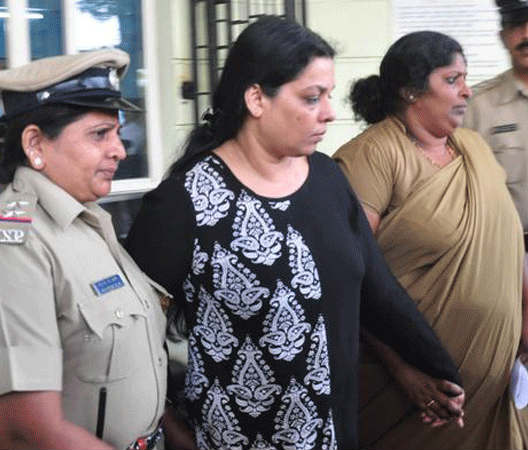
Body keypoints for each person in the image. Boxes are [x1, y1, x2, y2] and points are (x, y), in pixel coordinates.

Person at [125, 16, 465, 450]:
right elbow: (131, 340)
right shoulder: (185, 202)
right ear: (256, 99)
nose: (329, 112)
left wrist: (436, 368)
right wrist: (175, 435)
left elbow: (378, 292)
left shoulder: (326, 178)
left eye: (328, 95)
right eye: (311, 97)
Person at [0, 49, 187, 450]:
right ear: (35, 143)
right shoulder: (8, 244)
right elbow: (28, 431)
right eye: (99, 134)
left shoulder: (87, 222)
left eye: (117, 133)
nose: (119, 150)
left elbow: (132, 366)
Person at [334, 31, 527, 450]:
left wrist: (525, 322)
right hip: (406, 390)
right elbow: (351, 277)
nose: (466, 91)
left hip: (494, 390)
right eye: (452, 79)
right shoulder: (372, 156)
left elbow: (508, 246)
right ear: (411, 91)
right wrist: (405, 370)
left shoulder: (474, 148)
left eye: (465, 78)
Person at [464, 0, 528, 245]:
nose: (526, 34)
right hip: (506, 248)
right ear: (502, 37)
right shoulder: (476, 107)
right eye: (516, 25)